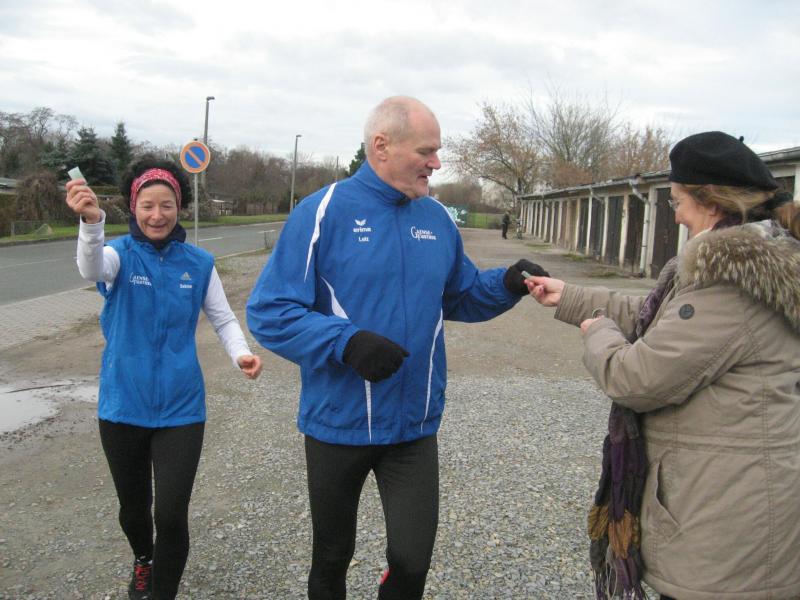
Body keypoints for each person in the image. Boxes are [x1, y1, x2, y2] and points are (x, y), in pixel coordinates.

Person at [246, 96, 548, 600]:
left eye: (437, 151)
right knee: (331, 558)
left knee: (412, 561)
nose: (436, 163)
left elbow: (460, 295)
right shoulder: (321, 211)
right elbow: (270, 311)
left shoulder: (436, 218)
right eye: (426, 151)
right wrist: (346, 342)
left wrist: (508, 283)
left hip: (412, 425)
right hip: (338, 424)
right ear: (382, 146)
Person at [528, 131, 800, 600]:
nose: (674, 213)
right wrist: (571, 297)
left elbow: (636, 379)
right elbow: (666, 319)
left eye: (676, 201)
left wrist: (598, 330)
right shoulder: (752, 267)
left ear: (710, 202)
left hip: (726, 524)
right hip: (737, 503)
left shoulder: (730, 286)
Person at [65, 156, 263, 600]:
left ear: (179, 207)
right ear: (134, 207)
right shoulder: (118, 256)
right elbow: (90, 269)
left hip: (181, 408)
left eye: (167, 205)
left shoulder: (199, 263)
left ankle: (163, 592)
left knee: (171, 514)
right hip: (122, 405)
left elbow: (223, 318)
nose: (158, 215)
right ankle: (143, 558)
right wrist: (92, 223)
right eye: (148, 205)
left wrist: (242, 354)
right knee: (134, 509)